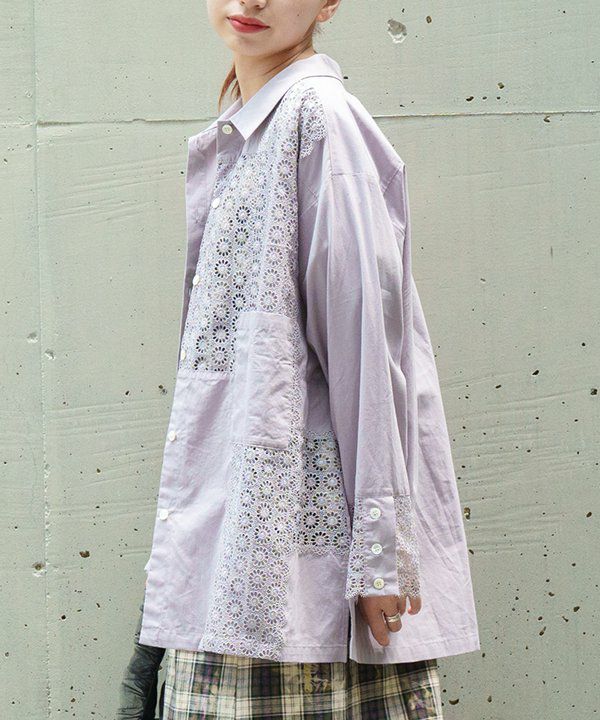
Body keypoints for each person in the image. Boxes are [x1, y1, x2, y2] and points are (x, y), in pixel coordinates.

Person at [136, 0, 481, 717]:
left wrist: (380, 557)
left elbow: (368, 349)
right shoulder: (249, 131)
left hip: (299, 590)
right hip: (239, 564)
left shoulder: (319, 118)